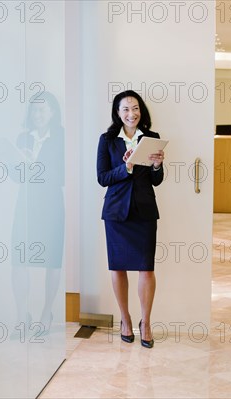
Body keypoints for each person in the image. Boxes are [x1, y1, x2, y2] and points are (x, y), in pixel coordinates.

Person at [96, 90, 165, 348]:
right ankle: (125, 319)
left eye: (135, 108)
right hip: (115, 212)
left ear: (141, 111)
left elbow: (156, 181)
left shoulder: (152, 138)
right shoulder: (107, 140)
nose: (131, 113)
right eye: (125, 109)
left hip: (144, 211)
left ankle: (145, 322)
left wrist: (157, 166)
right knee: (119, 267)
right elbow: (102, 177)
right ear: (117, 112)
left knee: (146, 268)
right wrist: (125, 168)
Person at [11, 91, 64, 336]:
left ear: (52, 112)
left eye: (42, 110)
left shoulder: (60, 137)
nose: (38, 114)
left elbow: (63, 174)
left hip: (51, 203)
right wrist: (21, 166)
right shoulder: (23, 137)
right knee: (19, 259)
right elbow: (15, 176)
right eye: (34, 110)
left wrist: (37, 166)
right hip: (27, 204)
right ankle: (22, 315)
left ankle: (46, 314)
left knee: (52, 260)